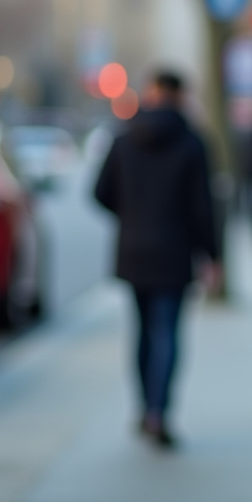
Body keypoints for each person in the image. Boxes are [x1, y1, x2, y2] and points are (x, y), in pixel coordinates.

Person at [94, 70, 220, 448]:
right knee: (167, 331)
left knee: (143, 331)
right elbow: (204, 207)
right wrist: (213, 256)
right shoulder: (193, 142)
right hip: (175, 251)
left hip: (133, 250)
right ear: (180, 97)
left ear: (150, 95)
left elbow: (99, 192)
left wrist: (130, 214)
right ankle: (158, 412)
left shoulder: (123, 138)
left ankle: (143, 407)